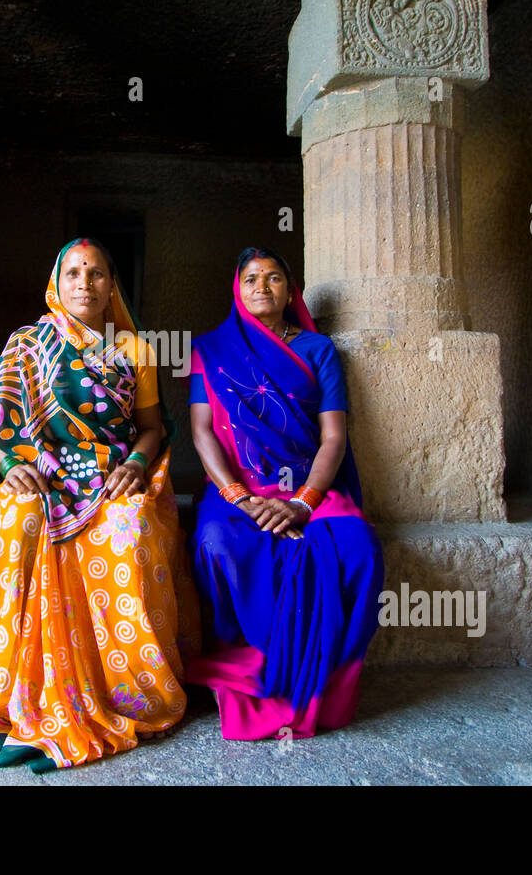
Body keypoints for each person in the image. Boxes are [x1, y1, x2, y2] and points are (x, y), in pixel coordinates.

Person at [0, 238, 200, 772]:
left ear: (112, 286)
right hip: (42, 474)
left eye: (97, 273)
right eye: (74, 273)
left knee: (128, 526)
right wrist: (7, 465)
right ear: (56, 284)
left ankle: (129, 692)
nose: (85, 283)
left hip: (110, 476)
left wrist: (135, 464)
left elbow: (151, 429)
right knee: (22, 522)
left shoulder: (135, 351)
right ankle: (15, 690)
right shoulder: (27, 344)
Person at [184, 247, 384, 740]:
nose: (262, 287)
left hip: (309, 490)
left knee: (359, 550)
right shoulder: (210, 349)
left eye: (274, 279)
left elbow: (334, 437)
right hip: (238, 491)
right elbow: (202, 430)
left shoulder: (319, 351)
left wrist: (303, 501)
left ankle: (314, 678)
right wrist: (236, 495)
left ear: (290, 291)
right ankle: (255, 663)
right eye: (251, 278)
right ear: (237, 289)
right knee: (218, 544)